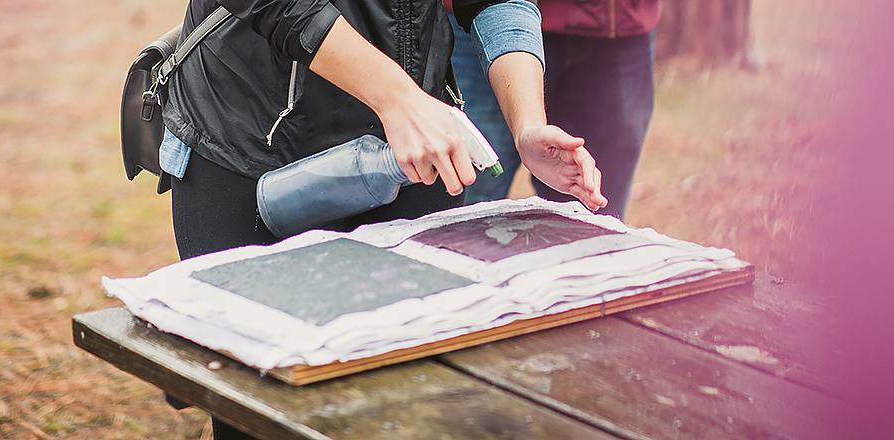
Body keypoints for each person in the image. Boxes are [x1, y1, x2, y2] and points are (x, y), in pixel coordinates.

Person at [152, 0, 606, 437]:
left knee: (411, 397)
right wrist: (398, 98)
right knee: (257, 403)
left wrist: (527, 123)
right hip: (249, 140)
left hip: (410, 151)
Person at [451, 0, 658, 220]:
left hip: (621, 26)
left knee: (592, 222)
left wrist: (528, 128)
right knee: (468, 213)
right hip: (487, 17)